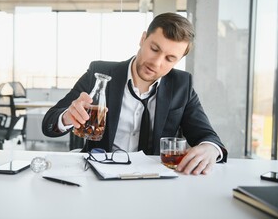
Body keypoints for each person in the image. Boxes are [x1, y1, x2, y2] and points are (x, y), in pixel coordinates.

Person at [42, 12, 228, 175]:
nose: (156, 62)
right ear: (143, 39)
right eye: (154, 49)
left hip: (154, 179)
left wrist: (210, 149)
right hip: (99, 174)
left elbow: (207, 136)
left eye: (170, 58)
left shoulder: (182, 85)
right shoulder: (99, 72)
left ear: (178, 60)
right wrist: (68, 117)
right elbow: (49, 123)